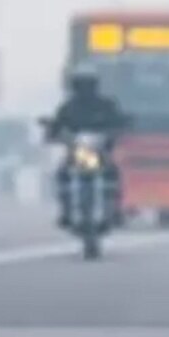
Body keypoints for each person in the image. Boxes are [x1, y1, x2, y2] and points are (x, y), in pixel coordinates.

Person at [46, 64, 128, 227]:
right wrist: (54, 133)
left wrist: (118, 130)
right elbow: (57, 126)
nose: (85, 88)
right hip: (77, 151)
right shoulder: (68, 108)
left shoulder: (106, 105)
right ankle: (66, 211)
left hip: (100, 151)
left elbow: (118, 121)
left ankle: (115, 210)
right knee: (62, 174)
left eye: (88, 84)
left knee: (114, 174)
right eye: (81, 84)